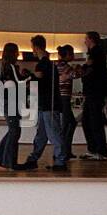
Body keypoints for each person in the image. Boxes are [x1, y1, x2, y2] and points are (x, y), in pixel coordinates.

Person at [16, 35, 69, 171]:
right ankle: (33, 159)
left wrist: (28, 78)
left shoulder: (43, 64)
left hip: (48, 104)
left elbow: (37, 82)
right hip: (46, 104)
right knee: (42, 134)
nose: (32, 50)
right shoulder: (50, 64)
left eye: (33, 47)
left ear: (36, 47)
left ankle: (60, 161)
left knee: (53, 134)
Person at [0, 42, 25, 170]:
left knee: (14, 130)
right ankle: (8, 161)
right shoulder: (11, 67)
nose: (18, 53)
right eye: (17, 51)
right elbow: (19, 82)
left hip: (7, 99)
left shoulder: (4, 66)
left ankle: (1, 156)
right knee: (15, 130)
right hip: (10, 100)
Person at [78, 31, 107, 160]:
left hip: (95, 92)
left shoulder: (96, 52)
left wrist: (83, 69)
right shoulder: (95, 53)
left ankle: (100, 151)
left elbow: (90, 69)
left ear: (91, 39)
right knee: (87, 121)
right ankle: (93, 149)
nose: (84, 41)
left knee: (94, 121)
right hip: (92, 92)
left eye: (86, 39)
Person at [56, 44, 78, 160]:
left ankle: (65, 150)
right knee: (67, 124)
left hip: (61, 97)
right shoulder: (66, 67)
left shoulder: (57, 66)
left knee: (69, 123)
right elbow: (76, 75)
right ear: (68, 54)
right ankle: (63, 151)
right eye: (72, 53)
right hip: (64, 98)